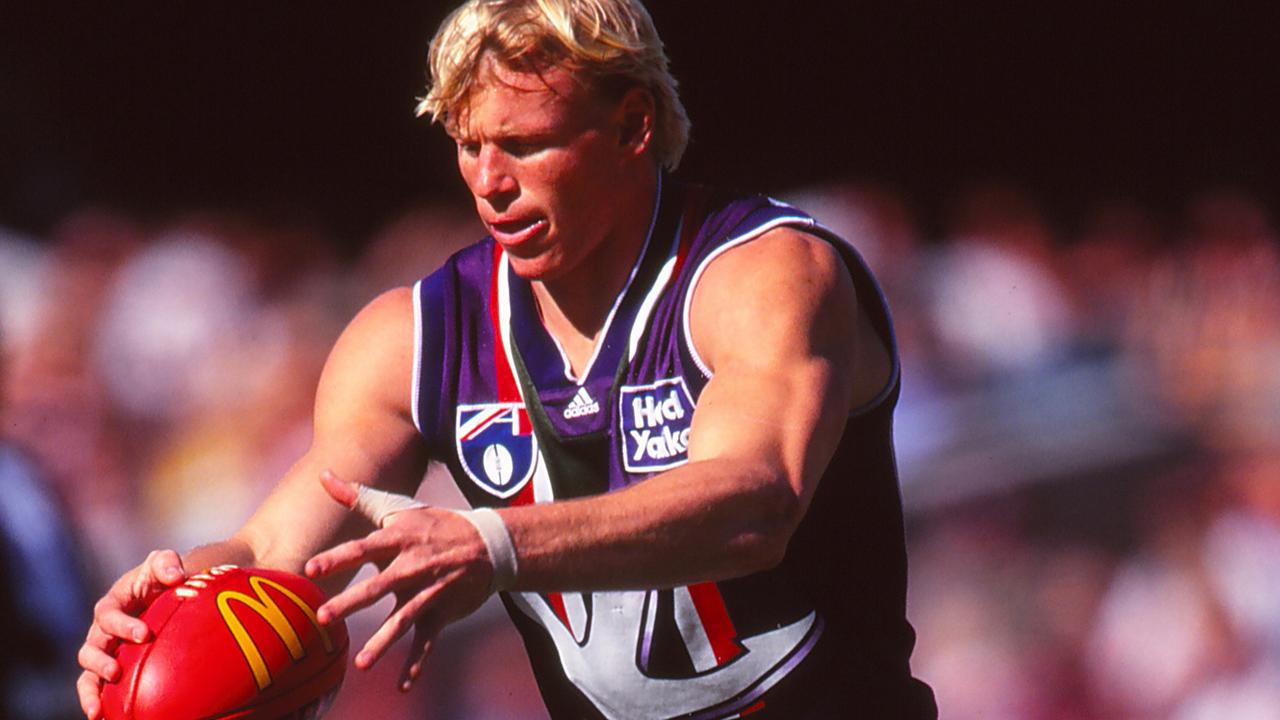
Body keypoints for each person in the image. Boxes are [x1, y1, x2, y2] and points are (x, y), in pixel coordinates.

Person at [77, 1, 937, 717]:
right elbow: (274, 553)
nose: (489, 180)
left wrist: (495, 542)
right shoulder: (412, 336)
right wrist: (167, 609)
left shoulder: (763, 272)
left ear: (634, 124)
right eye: (466, 144)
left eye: (524, 144)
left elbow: (755, 503)